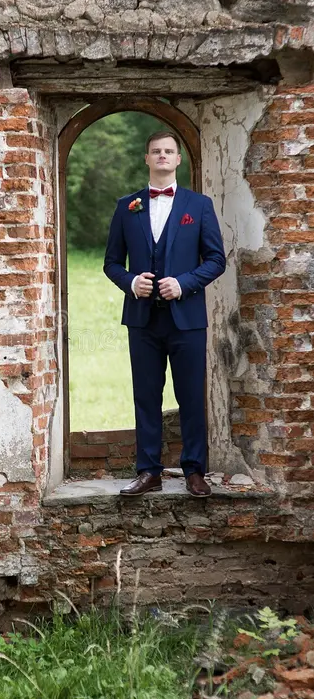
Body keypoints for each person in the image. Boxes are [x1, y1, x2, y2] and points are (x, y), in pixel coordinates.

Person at [103, 130, 226, 498]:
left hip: (186, 319)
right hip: (142, 319)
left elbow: (216, 260)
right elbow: (111, 262)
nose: (162, 156)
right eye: (155, 151)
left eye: (168, 151)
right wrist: (130, 282)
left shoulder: (198, 205)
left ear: (178, 159)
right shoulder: (127, 206)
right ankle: (149, 471)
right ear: (146, 158)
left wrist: (184, 283)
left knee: (190, 395)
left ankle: (194, 470)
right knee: (145, 395)